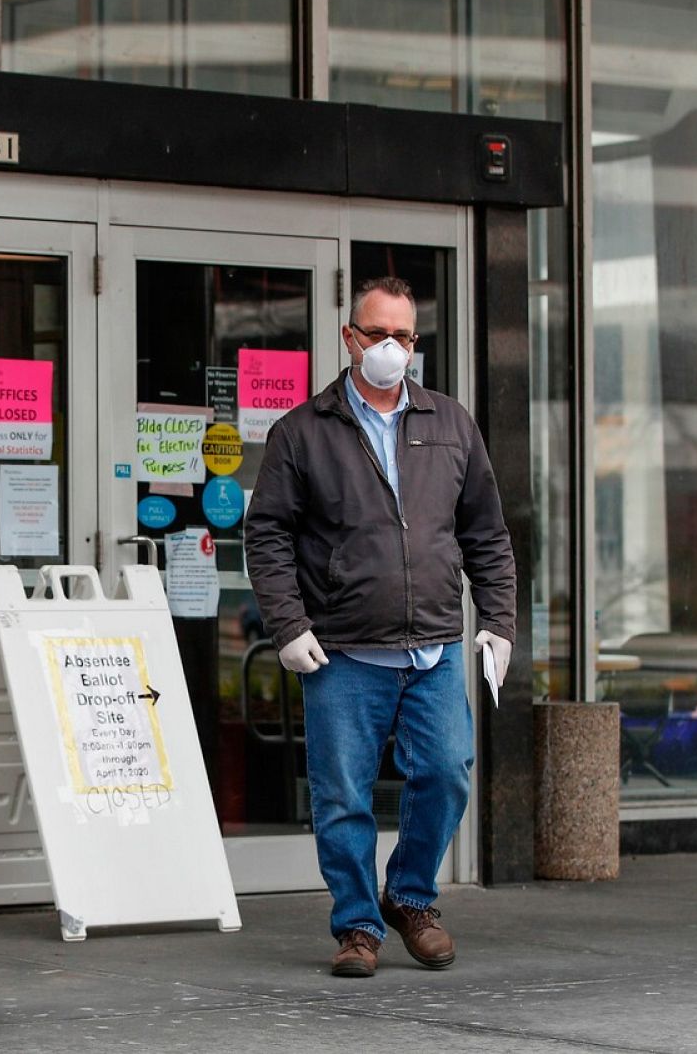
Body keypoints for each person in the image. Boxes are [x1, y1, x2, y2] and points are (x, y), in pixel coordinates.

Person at [243, 275, 514, 978]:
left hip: (431, 645)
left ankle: (411, 897)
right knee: (342, 795)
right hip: (342, 650)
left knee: (448, 772)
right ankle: (358, 925)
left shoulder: (450, 423)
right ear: (349, 339)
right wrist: (287, 625)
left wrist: (498, 623)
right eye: (377, 334)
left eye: (403, 336)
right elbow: (267, 537)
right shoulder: (302, 432)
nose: (390, 348)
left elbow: (486, 532)